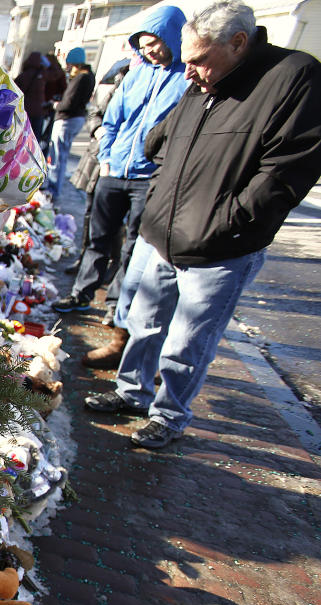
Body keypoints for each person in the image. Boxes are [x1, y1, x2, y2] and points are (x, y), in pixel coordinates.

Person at [84, 0, 321, 449]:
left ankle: (169, 415)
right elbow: (162, 140)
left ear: (237, 43)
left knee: (188, 341)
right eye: (186, 59)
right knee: (144, 322)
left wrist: (228, 223)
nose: (188, 71)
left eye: (198, 61)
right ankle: (132, 391)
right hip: (163, 233)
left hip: (220, 247)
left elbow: (286, 171)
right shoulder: (202, 81)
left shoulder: (293, 77)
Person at [52, 5, 189, 329]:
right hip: (114, 172)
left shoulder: (185, 78)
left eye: (153, 43)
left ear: (170, 37)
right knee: (98, 237)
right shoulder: (135, 75)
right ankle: (81, 293)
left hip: (149, 178)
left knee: (133, 244)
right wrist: (108, 158)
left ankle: (117, 304)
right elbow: (111, 119)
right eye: (143, 46)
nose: (149, 51)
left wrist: (160, 168)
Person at [43, 48, 95, 200]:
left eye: (69, 64)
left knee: (57, 158)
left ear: (75, 64)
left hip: (67, 118)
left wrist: (55, 105)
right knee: (61, 157)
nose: (68, 68)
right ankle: (54, 190)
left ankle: (53, 192)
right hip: (76, 118)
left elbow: (68, 102)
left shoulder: (81, 78)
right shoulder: (89, 77)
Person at [15, 52, 48, 141]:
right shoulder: (43, 75)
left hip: (24, 110)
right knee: (35, 138)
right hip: (39, 110)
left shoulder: (23, 76)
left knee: (21, 137)